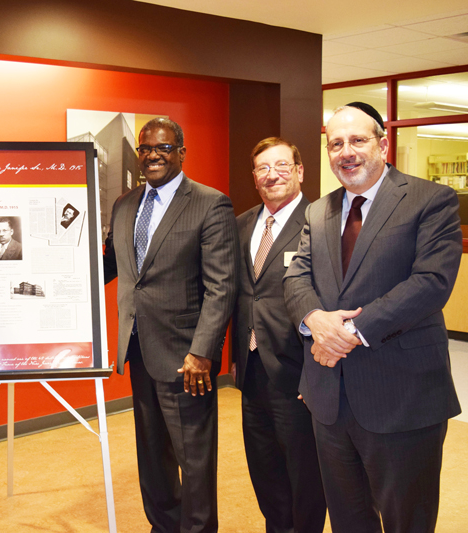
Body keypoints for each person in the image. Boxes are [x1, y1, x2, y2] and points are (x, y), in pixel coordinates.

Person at [284, 102, 462, 533]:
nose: (347, 152)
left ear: (383, 144)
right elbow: (296, 277)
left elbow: (431, 282)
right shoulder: (316, 211)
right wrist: (315, 318)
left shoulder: (430, 199)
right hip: (329, 399)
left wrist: (348, 331)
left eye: (358, 140)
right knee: (348, 520)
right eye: (336, 144)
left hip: (402, 395)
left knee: (407, 520)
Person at [103, 117, 238, 533]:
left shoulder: (209, 203)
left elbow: (222, 287)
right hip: (139, 348)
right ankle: (162, 525)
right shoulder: (125, 204)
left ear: (181, 151)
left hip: (186, 357)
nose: (153, 155)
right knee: (152, 451)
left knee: (193, 457)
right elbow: (112, 267)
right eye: (145, 148)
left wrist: (203, 351)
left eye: (163, 147)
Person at [231, 137, 326, 533]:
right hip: (252, 370)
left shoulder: (320, 223)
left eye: (282, 166)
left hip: (297, 373)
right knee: (264, 468)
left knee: (304, 474)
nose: (272, 175)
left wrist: (317, 375)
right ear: (254, 178)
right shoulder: (242, 224)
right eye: (263, 169)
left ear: (300, 171)